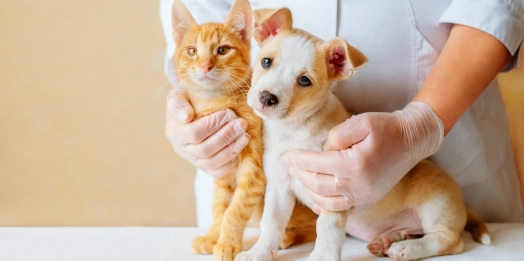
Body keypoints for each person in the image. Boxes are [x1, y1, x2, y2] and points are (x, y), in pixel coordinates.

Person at [161, 0, 524, 228]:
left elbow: (493, 8)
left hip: (452, 143)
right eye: (267, 61)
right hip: (265, 197)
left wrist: (422, 124)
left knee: (447, 228)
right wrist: (192, 110)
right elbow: (199, 28)